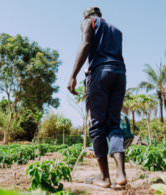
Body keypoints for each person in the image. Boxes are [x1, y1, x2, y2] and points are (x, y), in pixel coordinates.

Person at [67, 7, 127, 189]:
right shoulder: (117, 30)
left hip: (100, 73)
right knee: (114, 124)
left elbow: (85, 44)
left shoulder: (89, 22)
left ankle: (104, 177)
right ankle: (121, 174)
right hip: (119, 73)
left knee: (97, 126)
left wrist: (73, 75)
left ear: (87, 16)